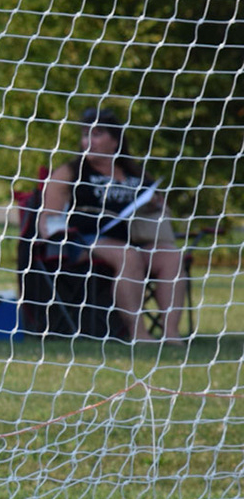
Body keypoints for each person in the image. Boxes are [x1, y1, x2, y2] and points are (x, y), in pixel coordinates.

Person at [40, 107, 187, 342]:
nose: (88, 141)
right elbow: (49, 216)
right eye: (85, 134)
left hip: (132, 239)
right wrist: (57, 238)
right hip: (84, 242)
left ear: (115, 141)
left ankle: (171, 333)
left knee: (171, 256)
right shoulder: (71, 172)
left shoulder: (135, 174)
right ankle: (139, 333)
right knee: (128, 256)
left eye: (97, 134)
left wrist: (154, 204)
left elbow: (157, 205)